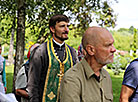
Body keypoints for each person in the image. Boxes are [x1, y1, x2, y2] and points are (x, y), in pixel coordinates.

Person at [27, 14, 78, 102]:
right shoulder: (40, 51)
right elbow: (32, 84)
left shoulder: (72, 52)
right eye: (62, 26)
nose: (67, 30)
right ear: (52, 29)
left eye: (67, 26)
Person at [60, 26, 116, 102]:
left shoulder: (106, 76)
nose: (113, 49)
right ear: (90, 50)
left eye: (112, 44)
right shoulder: (72, 79)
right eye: (108, 45)